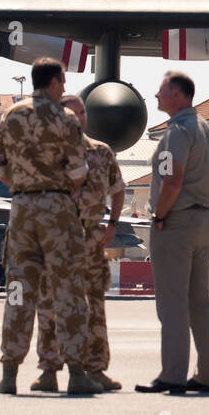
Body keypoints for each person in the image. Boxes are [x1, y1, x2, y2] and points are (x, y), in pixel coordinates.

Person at [0, 57, 100, 396]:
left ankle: (9, 374)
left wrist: (22, 185)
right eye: (63, 82)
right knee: (67, 289)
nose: (64, 88)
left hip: (21, 209)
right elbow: (79, 171)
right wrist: (59, 189)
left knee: (18, 290)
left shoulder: (10, 116)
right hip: (57, 209)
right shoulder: (65, 118)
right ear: (52, 83)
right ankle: (77, 373)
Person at [31, 93, 128, 392]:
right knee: (49, 305)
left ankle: (95, 369)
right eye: (73, 114)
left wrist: (112, 223)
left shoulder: (101, 152)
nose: (80, 119)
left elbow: (118, 188)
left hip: (90, 239)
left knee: (94, 305)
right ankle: (49, 370)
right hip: (55, 239)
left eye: (82, 113)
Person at [135, 72, 209, 394]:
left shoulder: (178, 132)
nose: (156, 97)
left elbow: (173, 180)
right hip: (202, 221)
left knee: (172, 303)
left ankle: (172, 374)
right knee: (200, 302)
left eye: (160, 92)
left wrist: (160, 214)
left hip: (177, 223)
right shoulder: (206, 128)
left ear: (177, 94)